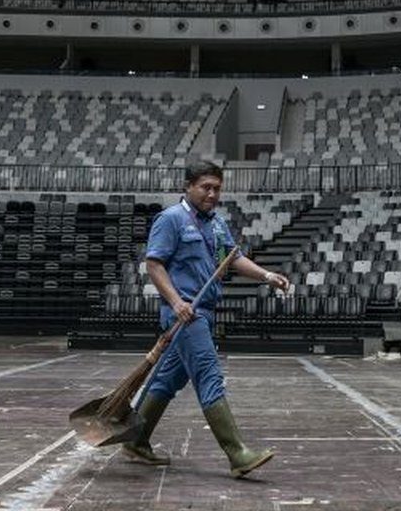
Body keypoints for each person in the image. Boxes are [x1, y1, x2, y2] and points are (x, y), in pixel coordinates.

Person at [123, 159, 290, 478]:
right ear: (188, 186)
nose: (213, 194)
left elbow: (234, 258)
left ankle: (136, 440)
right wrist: (176, 302)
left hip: (205, 312)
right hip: (185, 315)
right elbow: (154, 264)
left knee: (168, 379)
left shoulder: (216, 223)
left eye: (217, 188)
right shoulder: (170, 219)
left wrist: (267, 275)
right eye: (206, 187)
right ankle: (238, 454)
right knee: (209, 375)